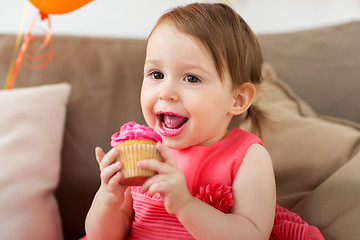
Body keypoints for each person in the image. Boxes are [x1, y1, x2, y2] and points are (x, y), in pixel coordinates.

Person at [83, 3, 324, 240]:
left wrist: (185, 205)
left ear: (237, 99)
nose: (166, 92)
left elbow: (251, 234)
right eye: (156, 74)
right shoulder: (140, 149)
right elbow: (103, 236)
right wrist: (108, 199)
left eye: (191, 78)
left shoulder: (246, 156)